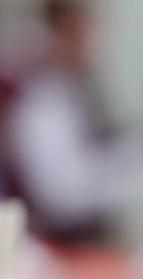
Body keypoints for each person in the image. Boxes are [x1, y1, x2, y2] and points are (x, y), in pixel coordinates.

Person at [2, 0, 130, 246]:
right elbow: (60, 196)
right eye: (87, 30)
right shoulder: (38, 97)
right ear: (62, 32)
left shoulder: (80, 87)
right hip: (53, 240)